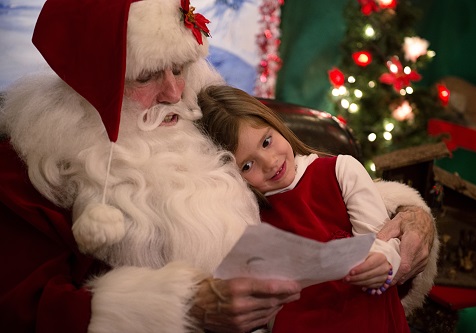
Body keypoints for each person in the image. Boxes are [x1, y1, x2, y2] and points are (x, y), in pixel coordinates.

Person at [0, 0, 437, 332]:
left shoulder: (201, 110)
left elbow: (300, 193)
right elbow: (23, 306)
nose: (174, 92)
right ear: (91, 82)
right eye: (147, 75)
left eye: (180, 66)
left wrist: (405, 220)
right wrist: (186, 308)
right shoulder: (33, 162)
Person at [197, 84, 416, 332]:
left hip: (368, 317)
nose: (269, 163)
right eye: (248, 166)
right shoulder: (248, 215)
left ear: (277, 125)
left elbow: (381, 240)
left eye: (266, 141)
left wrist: (384, 261)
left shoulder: (340, 171)